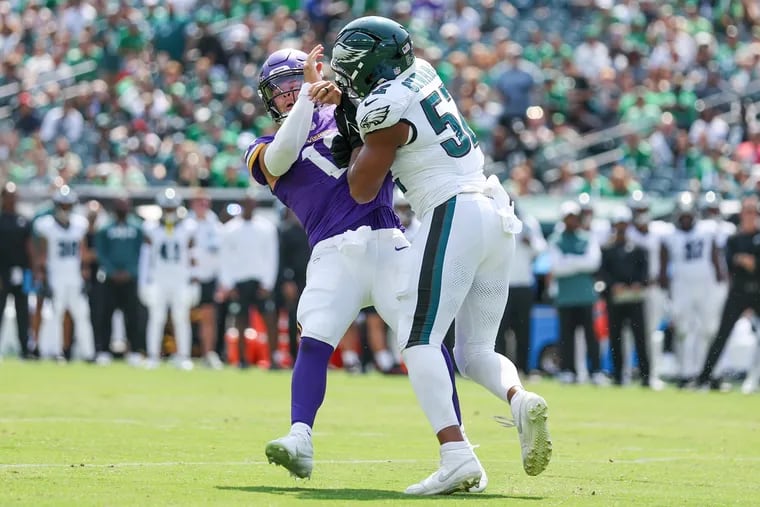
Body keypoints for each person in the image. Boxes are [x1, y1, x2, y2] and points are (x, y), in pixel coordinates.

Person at [332, 16, 550, 494]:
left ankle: (456, 454)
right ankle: (519, 400)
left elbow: (362, 187)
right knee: (474, 352)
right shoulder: (423, 72)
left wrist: (349, 126)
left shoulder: (383, 106)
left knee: (418, 340)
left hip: (453, 210)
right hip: (496, 213)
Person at [248, 46, 477, 489]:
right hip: (334, 252)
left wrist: (346, 101)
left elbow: (387, 127)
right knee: (315, 337)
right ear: (268, 99)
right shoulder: (261, 148)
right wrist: (310, 98)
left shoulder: (348, 114)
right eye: (282, 88)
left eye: (300, 79)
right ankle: (300, 438)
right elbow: (280, 158)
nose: (292, 90)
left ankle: (457, 449)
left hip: (390, 239)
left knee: (423, 340)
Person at [695, 196, 760, 393]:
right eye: (746, 212)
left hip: (757, 290)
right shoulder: (734, 238)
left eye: (753, 212)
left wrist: (750, 262)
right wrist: (747, 262)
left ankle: (754, 378)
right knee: (721, 334)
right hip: (738, 291)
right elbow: (730, 263)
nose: (749, 216)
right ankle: (704, 377)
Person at [659, 192, 724, 387]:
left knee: (709, 330)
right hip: (682, 286)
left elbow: (715, 257)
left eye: (688, 215)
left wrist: (720, 281)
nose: (685, 219)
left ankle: (711, 373)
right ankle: (686, 373)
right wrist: (666, 288)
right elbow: (664, 264)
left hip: (706, 285)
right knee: (683, 331)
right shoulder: (669, 235)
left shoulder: (707, 230)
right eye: (682, 215)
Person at [216, 191, 279, 369]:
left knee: (269, 320)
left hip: (260, 281)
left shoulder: (267, 228)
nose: (249, 207)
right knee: (241, 321)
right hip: (239, 282)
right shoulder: (230, 229)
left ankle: (273, 359)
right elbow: (225, 259)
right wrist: (228, 284)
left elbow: (271, 257)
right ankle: (242, 360)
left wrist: (268, 283)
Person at [33, 185, 95, 361]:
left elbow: (83, 252)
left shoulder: (79, 224)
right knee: (54, 315)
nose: (66, 209)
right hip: (56, 277)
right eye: (63, 205)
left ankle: (88, 353)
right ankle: (52, 351)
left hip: (74, 278)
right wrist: (43, 277)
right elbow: (42, 254)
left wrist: (85, 274)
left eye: (68, 205)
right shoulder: (46, 225)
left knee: (82, 315)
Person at [138, 188, 197, 370]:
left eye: (172, 208)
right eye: (167, 208)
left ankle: (184, 356)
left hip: (180, 278)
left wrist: (194, 279)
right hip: (159, 278)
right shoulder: (151, 228)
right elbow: (146, 258)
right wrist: (144, 282)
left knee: (181, 318)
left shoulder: (188, 228)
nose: (169, 212)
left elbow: (193, 256)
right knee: (156, 318)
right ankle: (153, 355)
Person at [548, 201, 604, 385]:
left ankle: (595, 371)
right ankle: (567, 370)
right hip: (565, 297)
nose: (571, 221)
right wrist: (579, 262)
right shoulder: (556, 239)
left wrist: (569, 261)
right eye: (568, 217)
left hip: (586, 296)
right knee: (566, 337)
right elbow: (557, 267)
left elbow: (593, 262)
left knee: (591, 336)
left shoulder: (587, 237)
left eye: (574, 217)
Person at [599, 206, 650, 387]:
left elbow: (644, 273)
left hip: (634, 299)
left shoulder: (638, 249)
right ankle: (618, 375)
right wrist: (613, 286)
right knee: (615, 338)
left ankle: (646, 376)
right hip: (616, 300)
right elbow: (603, 273)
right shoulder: (607, 249)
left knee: (640, 338)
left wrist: (638, 283)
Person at [626, 192, 672, 390]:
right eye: (638, 210)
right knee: (628, 333)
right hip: (633, 288)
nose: (641, 214)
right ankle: (625, 372)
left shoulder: (660, 231)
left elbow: (666, 256)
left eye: (643, 210)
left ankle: (653, 373)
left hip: (653, 288)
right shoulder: (626, 232)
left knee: (653, 332)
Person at [95, 195, 144, 366]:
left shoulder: (137, 227)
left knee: (132, 316)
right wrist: (112, 271)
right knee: (106, 315)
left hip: (130, 279)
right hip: (110, 279)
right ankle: (104, 351)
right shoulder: (105, 227)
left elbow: (140, 252)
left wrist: (130, 271)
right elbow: (101, 252)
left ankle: (135, 351)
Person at [496, 205, 546, 374]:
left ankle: (523, 368)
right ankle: (500, 368)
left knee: (523, 329)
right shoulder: (497, 219)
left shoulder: (529, 223)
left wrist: (529, 240)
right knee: (500, 329)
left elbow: (541, 248)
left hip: (524, 285)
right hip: (502, 284)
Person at [187, 189, 223, 369]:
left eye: (205, 203)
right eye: (199, 202)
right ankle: (184, 353)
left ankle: (208, 353)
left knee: (208, 318)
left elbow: (221, 255)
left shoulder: (215, 225)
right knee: (183, 316)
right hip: (188, 277)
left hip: (209, 277)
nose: (202, 206)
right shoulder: (186, 224)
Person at [0, 182, 33, 358]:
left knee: (23, 312)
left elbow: (30, 249)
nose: (12, 199)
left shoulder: (24, 220)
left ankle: (25, 349)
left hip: (22, 272)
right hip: (2, 272)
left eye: (14, 196)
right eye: (8, 196)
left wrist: (32, 271)